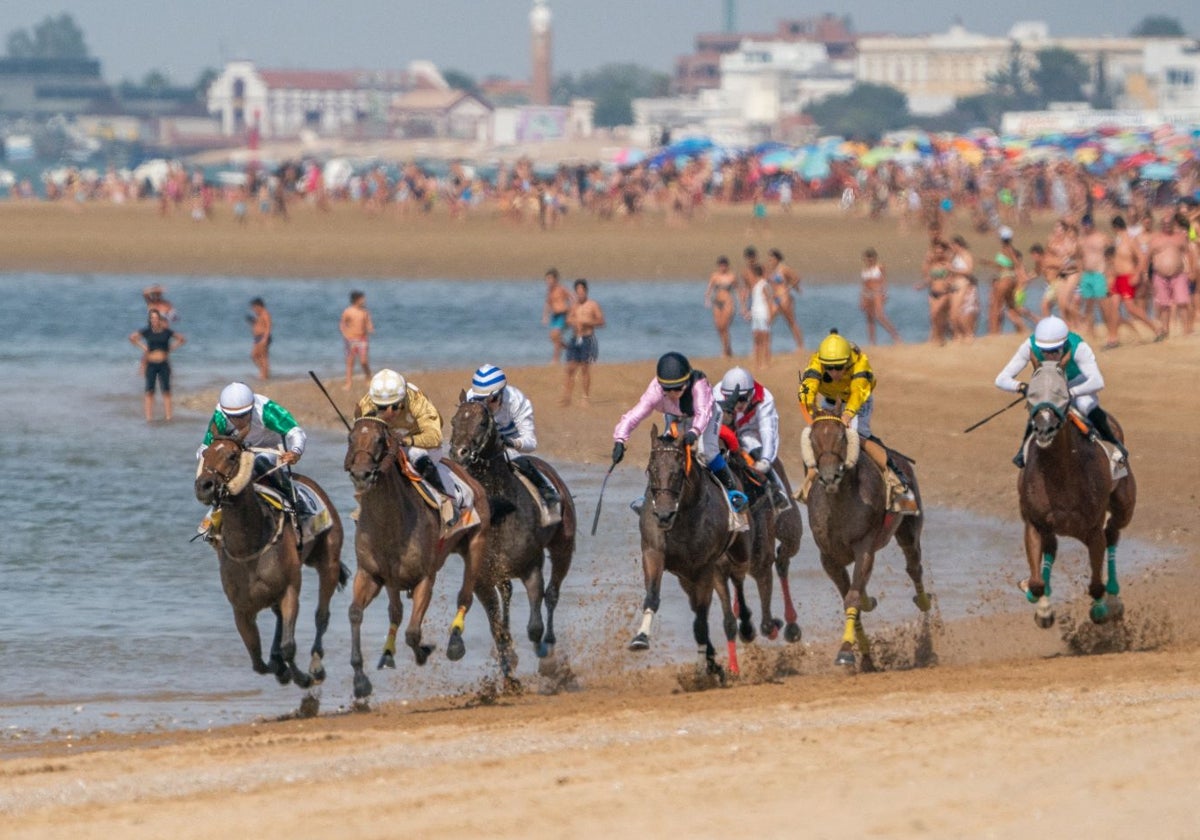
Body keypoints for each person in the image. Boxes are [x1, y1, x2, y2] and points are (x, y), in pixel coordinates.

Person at [797, 330, 918, 515]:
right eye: (829, 367)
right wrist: (810, 408)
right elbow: (807, 389)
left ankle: (898, 483)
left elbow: (858, 394)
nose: (834, 372)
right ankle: (808, 485)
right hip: (829, 401)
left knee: (856, 435)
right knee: (817, 437)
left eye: (839, 367)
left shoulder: (861, 364)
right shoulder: (816, 362)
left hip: (858, 401)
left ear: (847, 362)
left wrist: (847, 415)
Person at [611, 351, 749, 511]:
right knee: (665, 453)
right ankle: (648, 497)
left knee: (706, 452)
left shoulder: (699, 384)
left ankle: (733, 493)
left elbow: (703, 413)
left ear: (687, 381)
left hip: (708, 415)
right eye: (667, 390)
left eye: (677, 389)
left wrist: (694, 432)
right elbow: (634, 415)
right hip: (675, 416)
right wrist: (619, 440)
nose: (672, 394)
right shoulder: (655, 390)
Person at [994, 315, 1127, 468]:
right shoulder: (1029, 346)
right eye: (1044, 351)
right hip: (1049, 387)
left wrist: (1071, 392)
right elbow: (1001, 379)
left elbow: (1097, 381)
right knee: (1039, 408)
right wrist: (1022, 387)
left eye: (1054, 350)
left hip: (1078, 384)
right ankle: (1022, 451)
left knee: (1085, 404)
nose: (1049, 355)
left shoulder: (1078, 347)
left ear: (1064, 344)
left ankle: (1114, 444)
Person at [356, 368, 457, 526]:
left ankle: (444, 501)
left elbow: (435, 437)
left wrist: (406, 441)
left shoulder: (417, 401)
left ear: (399, 403)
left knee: (416, 454)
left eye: (387, 409)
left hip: (423, 446)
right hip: (389, 445)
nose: (382, 413)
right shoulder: (368, 402)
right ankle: (365, 505)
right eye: (379, 408)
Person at [198, 382, 305, 510]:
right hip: (237, 454)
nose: (238, 421)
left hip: (270, 450)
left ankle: (294, 500)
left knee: (259, 462)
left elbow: (296, 432)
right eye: (233, 417)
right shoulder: (220, 415)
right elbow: (205, 447)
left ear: (252, 408)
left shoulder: (266, 409)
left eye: (243, 415)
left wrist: (295, 451)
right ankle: (214, 513)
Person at [465, 363, 559, 507]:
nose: (485, 405)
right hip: (483, 444)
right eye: (480, 400)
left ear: (500, 394)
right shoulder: (470, 398)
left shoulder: (517, 402)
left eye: (491, 400)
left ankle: (545, 491)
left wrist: (512, 443)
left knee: (514, 457)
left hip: (510, 445)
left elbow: (531, 443)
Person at [713, 366, 790, 511]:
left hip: (749, 434)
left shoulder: (765, 398)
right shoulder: (716, 393)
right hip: (723, 432)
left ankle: (777, 491)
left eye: (742, 399)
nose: (738, 405)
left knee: (750, 442)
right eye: (733, 399)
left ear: (752, 393)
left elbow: (768, 431)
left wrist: (766, 460)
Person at [129, 309, 185, 422]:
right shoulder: (147, 331)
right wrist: (144, 347)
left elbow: (181, 339)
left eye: (156, 318)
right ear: (149, 320)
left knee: (166, 391)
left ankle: (169, 417)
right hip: (151, 364)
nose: (154, 320)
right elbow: (132, 337)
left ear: (159, 319)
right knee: (149, 391)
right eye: (152, 318)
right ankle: (149, 418)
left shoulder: (166, 332)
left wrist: (170, 349)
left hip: (164, 363)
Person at [561, 279, 605, 407]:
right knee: (570, 368)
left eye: (582, 291)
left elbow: (601, 321)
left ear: (586, 291)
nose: (580, 294)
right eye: (578, 291)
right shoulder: (574, 306)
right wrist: (572, 322)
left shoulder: (592, 305)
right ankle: (567, 396)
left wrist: (588, 323)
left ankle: (585, 397)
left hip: (587, 338)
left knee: (585, 368)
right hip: (575, 338)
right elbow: (568, 319)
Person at [859, 247, 902, 345]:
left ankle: (895, 336)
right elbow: (863, 285)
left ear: (875, 257)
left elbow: (884, 280)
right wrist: (862, 299)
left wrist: (885, 293)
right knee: (869, 318)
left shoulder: (879, 267)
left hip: (877, 292)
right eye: (868, 257)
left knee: (880, 315)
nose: (870, 259)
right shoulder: (864, 270)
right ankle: (872, 342)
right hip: (867, 294)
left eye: (871, 257)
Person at [764, 248, 804, 351]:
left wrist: (791, 288)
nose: (770, 261)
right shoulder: (771, 271)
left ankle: (800, 346)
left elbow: (796, 278)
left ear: (777, 259)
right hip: (775, 299)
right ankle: (766, 347)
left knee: (791, 322)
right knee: (767, 322)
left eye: (772, 259)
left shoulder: (784, 269)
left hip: (784, 298)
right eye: (769, 259)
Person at [704, 255, 740, 357]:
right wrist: (707, 300)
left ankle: (725, 350)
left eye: (724, 265)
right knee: (718, 327)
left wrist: (741, 305)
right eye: (721, 265)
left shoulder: (732, 276)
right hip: (717, 302)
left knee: (725, 326)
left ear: (727, 266)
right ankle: (727, 348)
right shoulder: (715, 276)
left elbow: (738, 290)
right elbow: (709, 289)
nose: (723, 267)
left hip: (728, 302)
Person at [340, 290, 374, 390]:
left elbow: (368, 323)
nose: (364, 300)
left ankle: (368, 377)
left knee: (364, 361)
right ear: (356, 300)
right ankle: (348, 383)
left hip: (362, 338)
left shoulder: (365, 312)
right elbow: (342, 323)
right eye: (362, 299)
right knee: (350, 361)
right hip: (350, 339)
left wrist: (370, 328)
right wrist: (345, 333)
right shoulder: (348, 311)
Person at [747, 263, 774, 370]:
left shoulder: (761, 285)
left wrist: (769, 315)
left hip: (760, 315)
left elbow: (767, 300)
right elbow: (768, 301)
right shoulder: (761, 285)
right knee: (762, 340)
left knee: (761, 340)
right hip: (759, 315)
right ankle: (761, 363)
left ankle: (763, 363)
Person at [542, 268, 572, 363]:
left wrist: (572, 311)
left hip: (563, 315)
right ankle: (572, 349)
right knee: (553, 337)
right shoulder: (549, 291)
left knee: (556, 336)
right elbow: (548, 304)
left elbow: (572, 297)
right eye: (547, 279)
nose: (548, 281)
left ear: (555, 279)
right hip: (555, 316)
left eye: (550, 279)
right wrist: (545, 316)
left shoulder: (561, 289)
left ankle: (555, 360)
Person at [247, 297, 272, 380]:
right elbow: (259, 325)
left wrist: (265, 338)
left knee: (263, 356)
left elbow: (268, 326)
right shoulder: (259, 315)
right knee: (254, 355)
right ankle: (263, 371)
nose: (253, 309)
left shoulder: (265, 313)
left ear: (258, 306)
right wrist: (253, 322)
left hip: (263, 337)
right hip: (257, 338)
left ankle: (264, 374)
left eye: (254, 307)